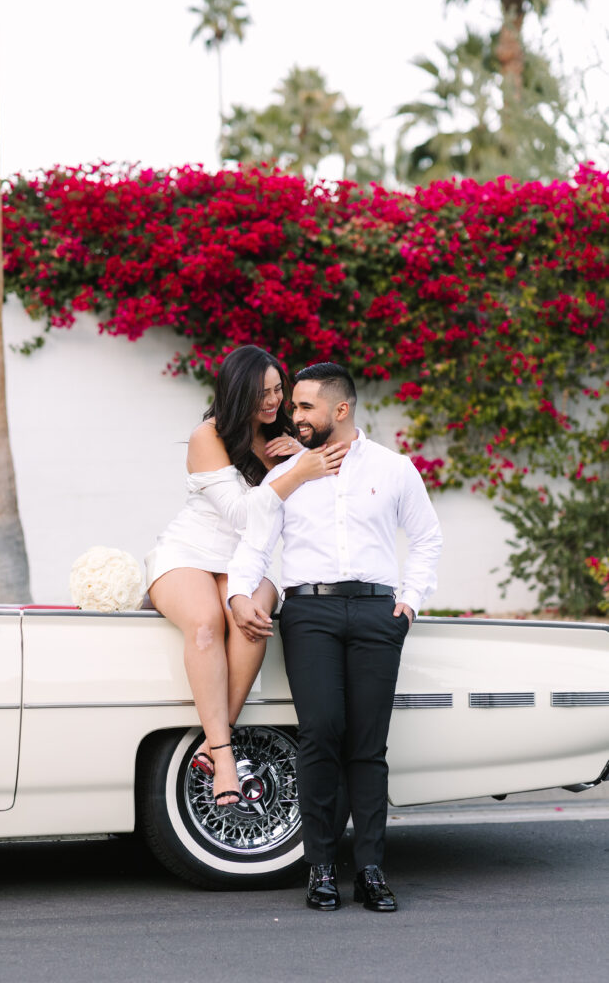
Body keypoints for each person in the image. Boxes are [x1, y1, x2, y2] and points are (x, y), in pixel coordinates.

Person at [228, 362, 442, 911]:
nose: (291, 416)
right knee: (321, 733)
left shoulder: (394, 469)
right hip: (310, 614)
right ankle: (320, 866)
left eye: (303, 407)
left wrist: (409, 603)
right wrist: (238, 595)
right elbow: (254, 544)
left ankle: (370, 870)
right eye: (292, 405)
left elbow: (426, 538)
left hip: (377, 615)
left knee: (369, 747)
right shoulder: (290, 473)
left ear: (340, 410)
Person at [146, 346, 345, 809]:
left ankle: (214, 742)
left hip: (248, 560)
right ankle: (224, 755)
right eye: (263, 395)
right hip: (190, 552)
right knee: (204, 625)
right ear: (238, 394)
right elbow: (238, 512)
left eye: (279, 391)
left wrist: (300, 457)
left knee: (251, 619)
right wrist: (296, 474)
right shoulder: (208, 435)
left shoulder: (289, 439)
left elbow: (338, 488)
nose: (274, 403)